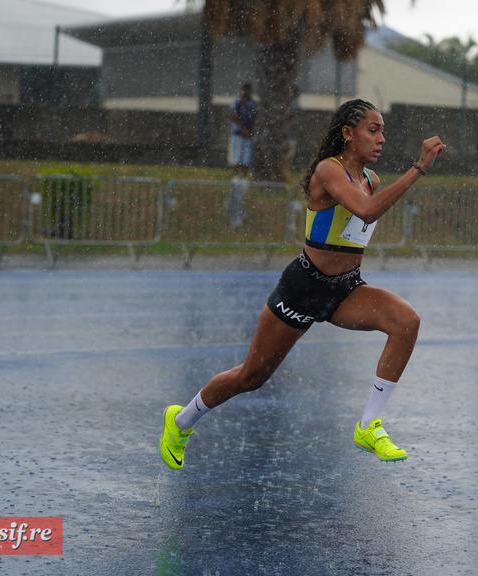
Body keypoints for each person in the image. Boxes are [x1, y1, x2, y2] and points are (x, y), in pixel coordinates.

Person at [160, 99, 446, 469]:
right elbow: (366, 210)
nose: (381, 139)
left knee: (406, 322)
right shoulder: (329, 170)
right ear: (348, 133)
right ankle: (181, 421)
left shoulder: (371, 179)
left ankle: (369, 425)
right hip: (303, 287)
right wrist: (419, 168)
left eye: (383, 131)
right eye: (373, 130)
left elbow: (360, 219)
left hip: (345, 289)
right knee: (251, 376)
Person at [227, 83, 257, 226]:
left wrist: (249, 130)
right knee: (236, 156)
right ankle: (236, 176)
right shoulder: (237, 103)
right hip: (237, 134)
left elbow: (255, 118)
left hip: (247, 135)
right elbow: (233, 116)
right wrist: (242, 128)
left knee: (246, 157)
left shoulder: (253, 104)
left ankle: (244, 177)